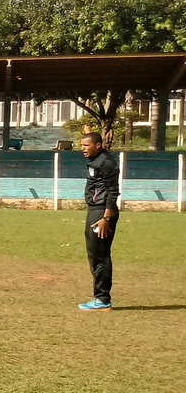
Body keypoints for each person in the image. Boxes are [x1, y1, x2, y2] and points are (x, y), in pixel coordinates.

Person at [79, 131, 120, 310]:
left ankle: (103, 299)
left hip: (103, 213)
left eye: (86, 145)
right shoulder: (96, 160)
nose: (82, 149)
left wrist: (106, 218)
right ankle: (100, 297)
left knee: (101, 255)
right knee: (94, 254)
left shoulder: (106, 163)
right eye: (81, 145)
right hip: (95, 211)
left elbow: (113, 191)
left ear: (98, 145)